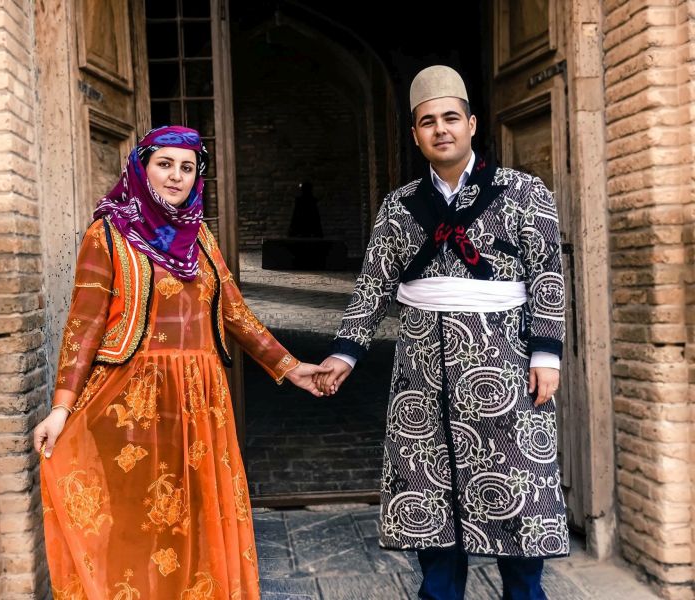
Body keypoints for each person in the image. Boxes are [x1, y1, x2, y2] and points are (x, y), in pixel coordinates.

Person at [33, 125, 329, 599]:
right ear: (142, 167)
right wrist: (61, 407)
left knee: (196, 515)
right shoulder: (107, 234)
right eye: (165, 164)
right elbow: (82, 327)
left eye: (187, 168)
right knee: (137, 517)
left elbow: (234, 312)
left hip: (200, 400)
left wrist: (291, 368)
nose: (176, 176)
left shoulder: (200, 238)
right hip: (131, 402)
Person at [316, 66, 568, 599]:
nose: (441, 129)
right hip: (421, 369)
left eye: (451, 118)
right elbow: (373, 285)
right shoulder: (398, 206)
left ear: (472, 124)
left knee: (517, 488)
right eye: (428, 122)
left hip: (504, 364)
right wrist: (344, 353)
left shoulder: (524, 192)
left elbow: (547, 273)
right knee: (428, 491)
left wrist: (546, 355)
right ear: (415, 135)